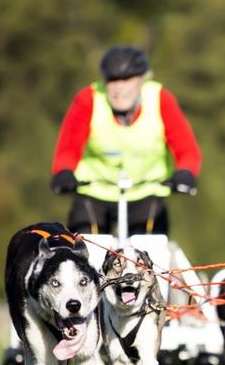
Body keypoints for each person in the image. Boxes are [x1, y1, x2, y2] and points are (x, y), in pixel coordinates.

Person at [49, 45, 202, 235]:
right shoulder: (89, 99)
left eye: (126, 79)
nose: (118, 87)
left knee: (151, 253)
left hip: (146, 193)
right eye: (112, 80)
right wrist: (63, 171)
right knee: (86, 252)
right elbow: (68, 146)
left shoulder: (160, 99)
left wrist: (186, 172)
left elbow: (186, 148)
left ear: (142, 80)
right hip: (94, 193)